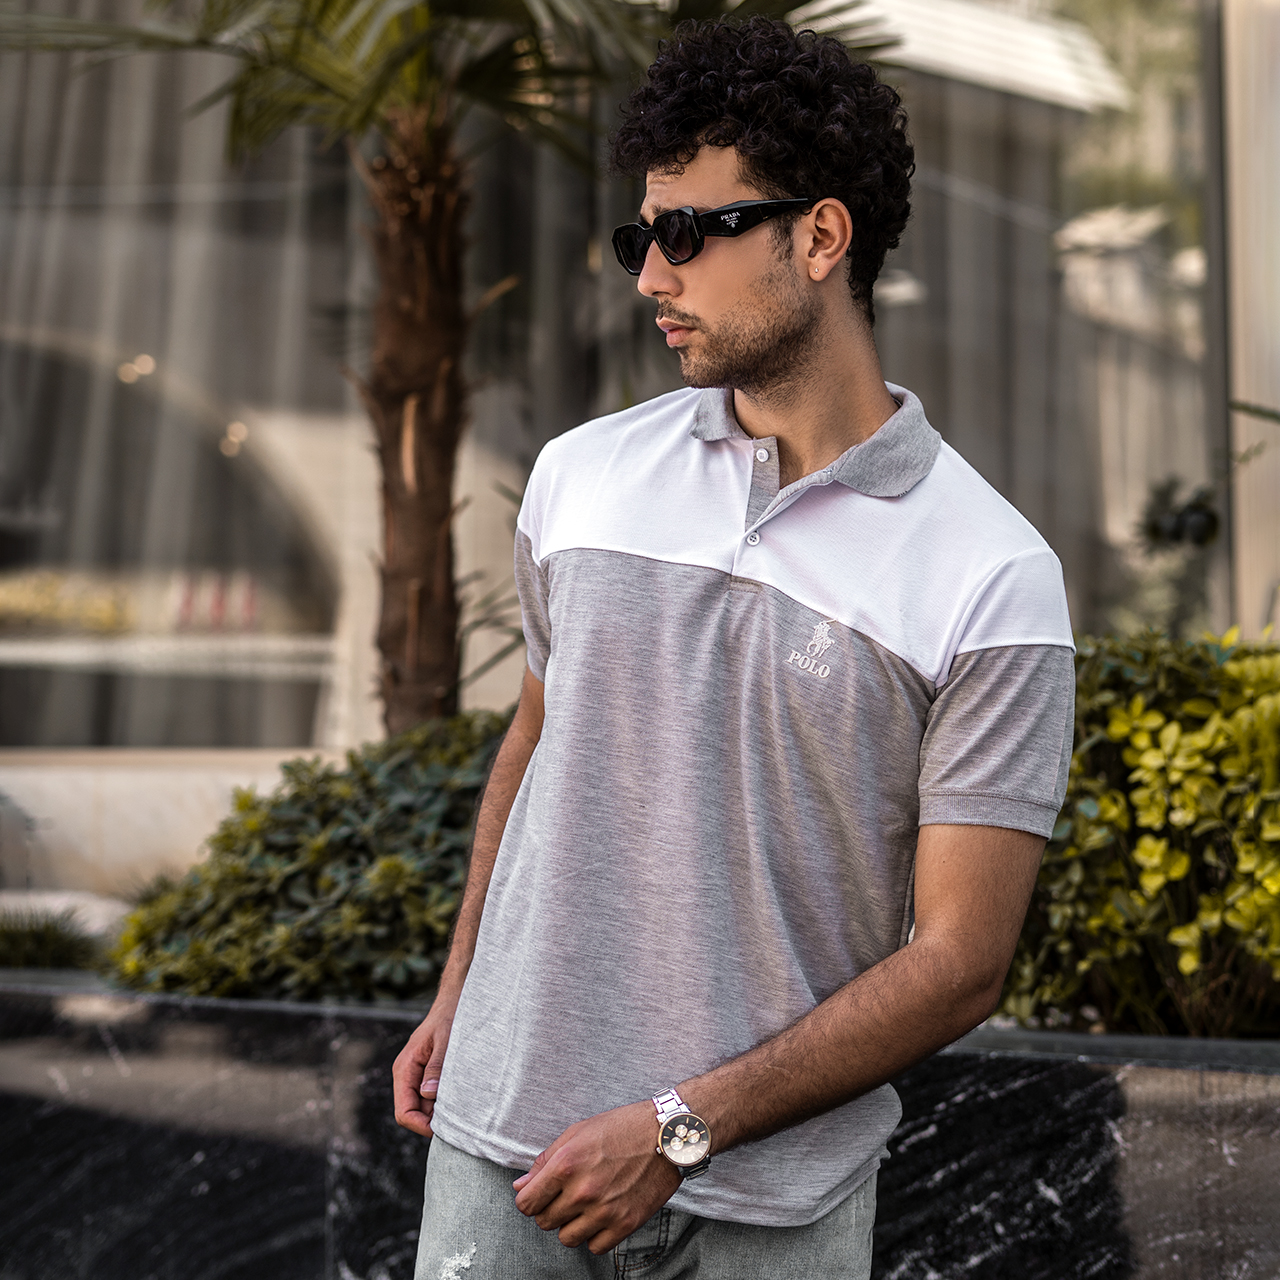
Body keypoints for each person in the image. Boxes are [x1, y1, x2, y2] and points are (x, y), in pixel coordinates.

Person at [395, 16, 1075, 1279]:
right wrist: (457, 996)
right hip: (505, 1156)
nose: (650, 278)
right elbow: (535, 740)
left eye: (690, 234)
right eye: (640, 238)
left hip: (777, 1200)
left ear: (819, 237)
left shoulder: (990, 575)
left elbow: (958, 963)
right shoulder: (579, 478)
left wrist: (677, 1128)